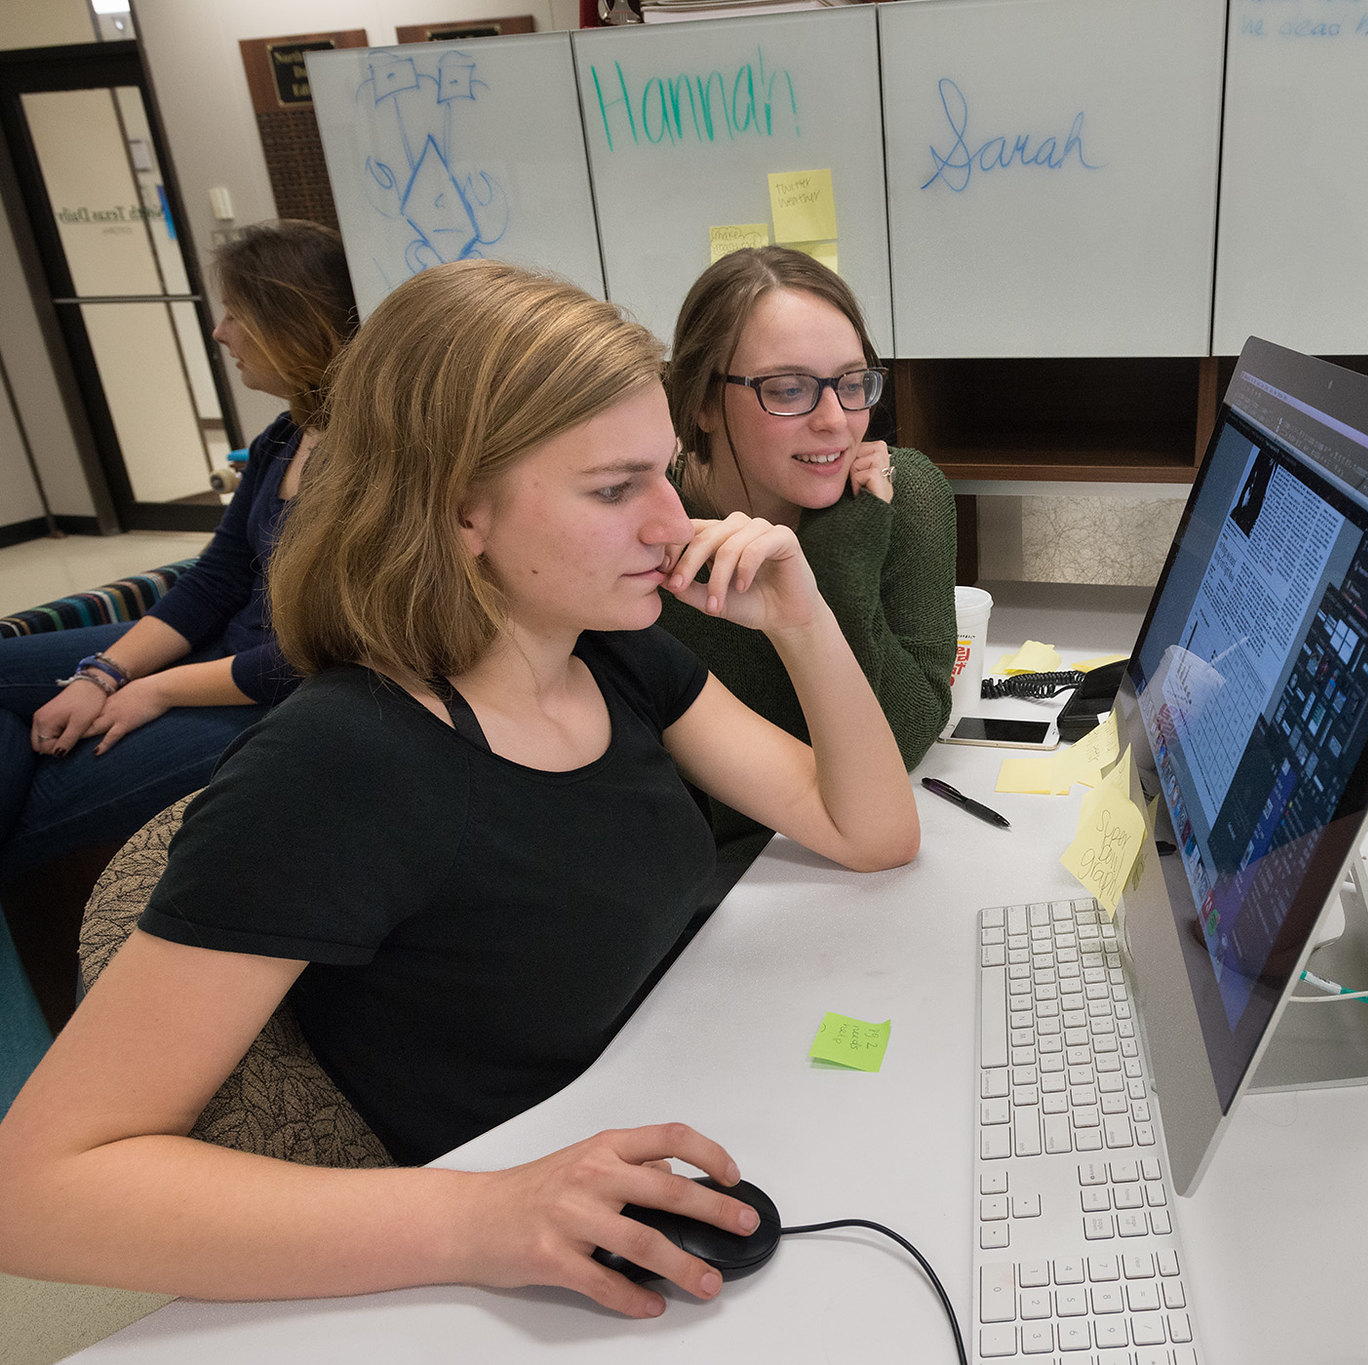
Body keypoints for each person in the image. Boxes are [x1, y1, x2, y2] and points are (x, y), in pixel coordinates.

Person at [0, 261, 918, 1316]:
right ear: (460, 510)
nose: (672, 523)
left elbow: (869, 830)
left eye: (664, 472)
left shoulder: (605, 649)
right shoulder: (339, 762)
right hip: (502, 1269)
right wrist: (483, 1216)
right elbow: (36, 1192)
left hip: (671, 1105)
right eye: (614, 489)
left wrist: (803, 620)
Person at [0, 220, 356, 876]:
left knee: (41, 796)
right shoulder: (286, 436)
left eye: (236, 314)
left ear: (294, 323)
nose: (220, 333)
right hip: (222, 652)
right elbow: (215, 579)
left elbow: (322, 654)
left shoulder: (373, 458)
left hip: (281, 697)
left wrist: (156, 690)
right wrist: (102, 675)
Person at [663, 246, 956, 864]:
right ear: (703, 403)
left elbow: (906, 738)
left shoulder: (898, 495)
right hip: (735, 877)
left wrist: (843, 556)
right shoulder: (655, 534)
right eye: (789, 389)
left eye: (853, 383)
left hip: (850, 849)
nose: (836, 421)